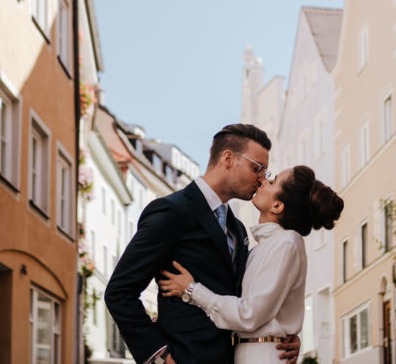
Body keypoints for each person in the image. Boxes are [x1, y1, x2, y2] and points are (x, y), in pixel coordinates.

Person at [104, 124, 300, 364]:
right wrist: (159, 357)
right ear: (229, 158)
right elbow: (119, 292)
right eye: (257, 168)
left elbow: (247, 300)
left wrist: (281, 333)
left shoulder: (238, 229)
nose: (262, 179)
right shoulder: (172, 211)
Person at [157, 165, 343, 363]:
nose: (263, 180)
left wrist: (191, 289)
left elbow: (249, 314)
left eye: (272, 181)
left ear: (277, 206)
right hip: (250, 352)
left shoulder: (288, 243)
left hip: (264, 355)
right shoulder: (264, 247)